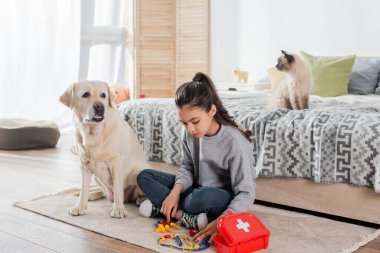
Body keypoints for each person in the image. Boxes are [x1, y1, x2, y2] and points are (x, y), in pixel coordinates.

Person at [137, 72, 256, 243]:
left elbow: (246, 193)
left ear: (212, 111)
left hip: (217, 197)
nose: (190, 129)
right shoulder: (191, 134)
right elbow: (187, 168)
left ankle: (162, 207)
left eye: (195, 121)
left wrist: (222, 221)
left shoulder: (234, 142)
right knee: (145, 176)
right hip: (194, 189)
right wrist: (175, 192)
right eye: (184, 123)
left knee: (199, 198)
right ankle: (182, 215)